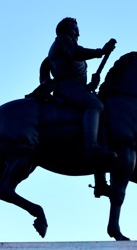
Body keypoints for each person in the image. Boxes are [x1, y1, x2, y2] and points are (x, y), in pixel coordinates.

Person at [40, 17, 117, 161]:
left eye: (77, 30)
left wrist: (92, 85)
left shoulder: (65, 45)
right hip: (66, 86)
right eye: (74, 29)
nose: (78, 33)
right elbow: (76, 53)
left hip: (74, 87)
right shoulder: (63, 40)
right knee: (95, 104)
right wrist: (101, 52)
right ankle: (91, 147)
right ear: (65, 30)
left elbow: (79, 82)